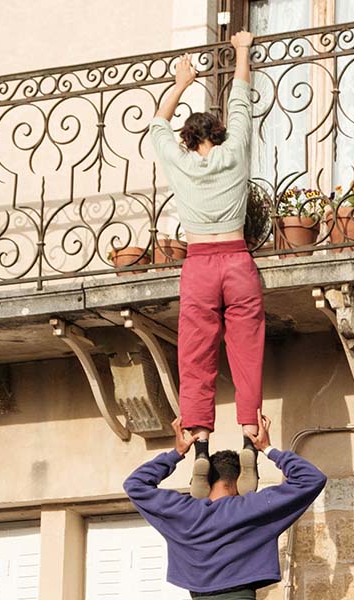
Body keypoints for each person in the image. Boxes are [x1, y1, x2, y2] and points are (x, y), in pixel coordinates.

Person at [149, 30, 263, 498]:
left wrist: (181, 81)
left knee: (196, 355)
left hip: (198, 264)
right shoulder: (236, 154)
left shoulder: (179, 163)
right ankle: (250, 438)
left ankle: (199, 444)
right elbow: (241, 99)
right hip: (237, 261)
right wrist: (241, 51)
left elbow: (157, 122)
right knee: (245, 350)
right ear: (218, 135)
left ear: (189, 138)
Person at [124, 412, 327, 599]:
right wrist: (267, 448)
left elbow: (135, 485)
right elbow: (311, 478)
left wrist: (177, 453)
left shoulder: (184, 512)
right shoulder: (253, 508)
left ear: (203, 481)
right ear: (241, 480)